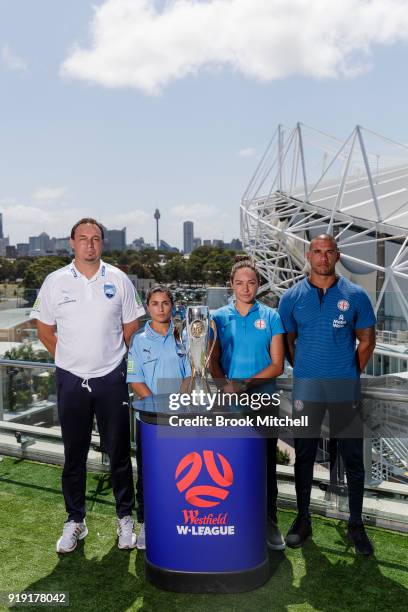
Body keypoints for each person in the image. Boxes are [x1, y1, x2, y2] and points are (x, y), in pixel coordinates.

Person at [31, 218, 145, 553]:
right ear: (72, 243)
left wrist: (109, 360)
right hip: (70, 379)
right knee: (74, 455)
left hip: (111, 378)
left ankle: (125, 519)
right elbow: (44, 330)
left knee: (120, 453)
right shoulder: (55, 281)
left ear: (102, 243)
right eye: (83, 239)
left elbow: (131, 326)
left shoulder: (119, 279)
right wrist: (69, 359)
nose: (90, 245)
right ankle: (75, 521)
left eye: (96, 239)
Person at [278, 234, 376, 555]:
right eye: (317, 252)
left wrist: (347, 373)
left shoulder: (356, 295)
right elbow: (290, 341)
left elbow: (367, 340)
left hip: (344, 389)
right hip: (307, 389)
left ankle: (355, 524)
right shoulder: (291, 297)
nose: (322, 258)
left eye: (328, 252)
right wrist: (306, 370)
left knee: (353, 459)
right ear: (309, 255)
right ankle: (303, 519)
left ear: (337, 255)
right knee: (304, 456)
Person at [209, 258, 286, 550]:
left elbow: (277, 365)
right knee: (230, 465)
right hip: (229, 404)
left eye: (251, 282)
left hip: (263, 400)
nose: (245, 288)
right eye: (239, 283)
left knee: (265, 465)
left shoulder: (272, 316)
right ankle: (234, 519)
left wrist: (242, 385)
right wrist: (224, 388)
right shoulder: (218, 317)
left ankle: (269, 522)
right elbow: (212, 360)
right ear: (231, 285)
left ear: (259, 285)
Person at [126, 285, 191, 549]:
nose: (161, 308)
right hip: (151, 422)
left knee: (180, 474)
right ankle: (146, 524)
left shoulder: (182, 339)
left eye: (165, 303)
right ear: (148, 307)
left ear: (173, 306)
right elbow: (135, 380)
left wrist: (176, 405)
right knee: (149, 474)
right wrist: (158, 407)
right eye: (155, 303)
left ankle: (177, 521)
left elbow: (190, 375)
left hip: (180, 418)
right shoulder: (138, 341)